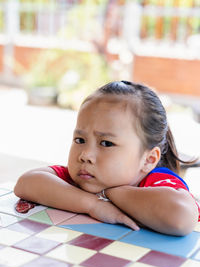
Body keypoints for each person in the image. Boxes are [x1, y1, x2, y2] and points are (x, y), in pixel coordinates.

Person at [14, 81, 200, 236]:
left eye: (106, 143)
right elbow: (26, 183)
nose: (85, 155)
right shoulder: (79, 178)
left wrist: (110, 193)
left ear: (148, 160)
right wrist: (92, 205)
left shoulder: (156, 182)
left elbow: (181, 217)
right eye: (80, 140)